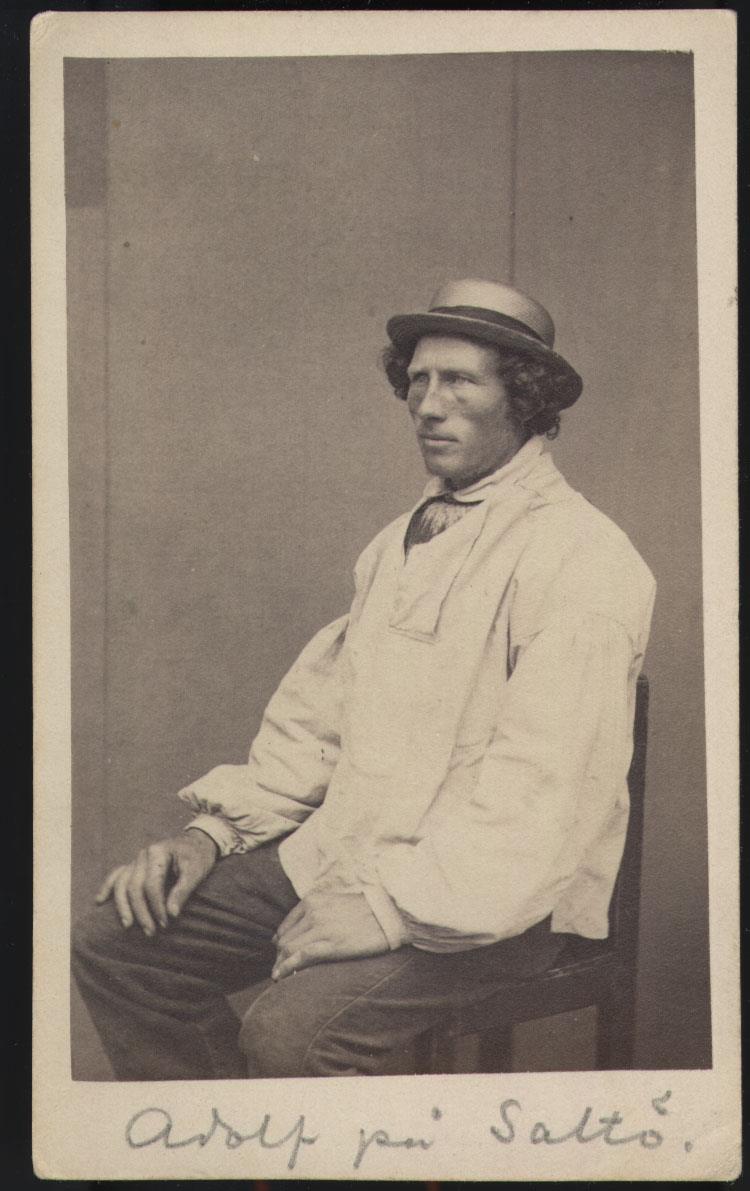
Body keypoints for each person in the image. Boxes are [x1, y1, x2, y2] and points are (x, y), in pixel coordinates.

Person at [73, 278, 656, 1080]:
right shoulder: (395, 544)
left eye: (459, 381)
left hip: (493, 897)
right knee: (119, 945)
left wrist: (387, 911)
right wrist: (208, 835)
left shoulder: (584, 559)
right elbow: (316, 727)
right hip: (349, 853)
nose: (428, 405)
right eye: (418, 380)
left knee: (290, 1034)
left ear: (523, 398)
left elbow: (540, 800)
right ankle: (230, 1141)